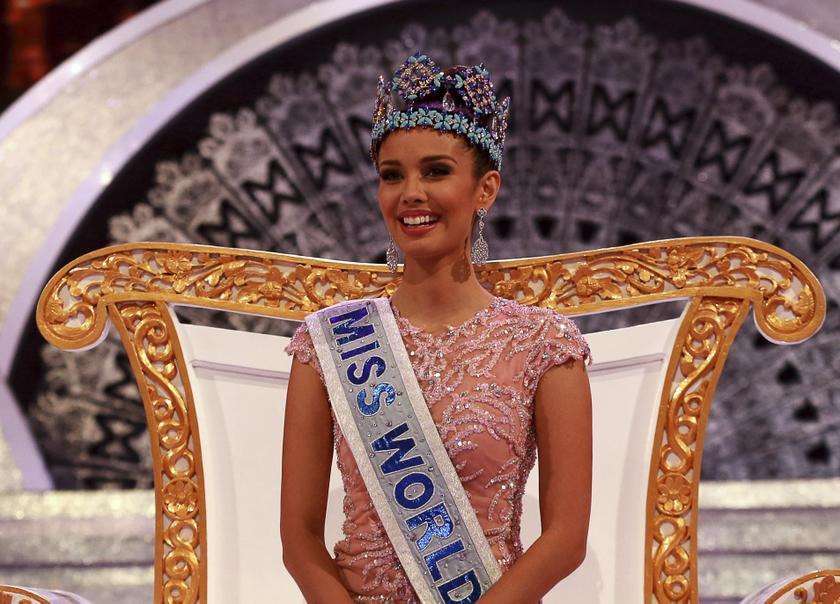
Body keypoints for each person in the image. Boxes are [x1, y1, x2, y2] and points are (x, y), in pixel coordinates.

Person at [280, 52, 592, 604]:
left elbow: (566, 540)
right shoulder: (327, 342)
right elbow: (300, 540)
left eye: (436, 171)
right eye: (391, 176)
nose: (411, 194)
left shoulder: (545, 345)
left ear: (485, 190)